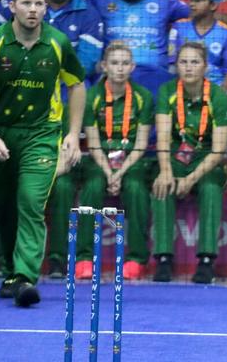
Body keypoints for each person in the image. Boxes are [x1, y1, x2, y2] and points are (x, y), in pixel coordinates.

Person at [0, 0, 86, 307]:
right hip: (2, 135)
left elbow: (77, 85)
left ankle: (24, 278)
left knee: (31, 202)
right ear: (12, 7)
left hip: (42, 134)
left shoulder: (59, 43)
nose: (33, 9)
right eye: (26, 3)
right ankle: (8, 271)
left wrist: (72, 134)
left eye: (39, 4)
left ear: (46, 8)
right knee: (3, 206)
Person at [72, 41, 154, 281]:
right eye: (114, 63)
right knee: (93, 186)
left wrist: (120, 172)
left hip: (132, 160)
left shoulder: (143, 97)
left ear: (132, 67)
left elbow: (141, 143)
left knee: (137, 189)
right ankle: (84, 258)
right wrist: (109, 173)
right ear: (104, 66)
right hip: (99, 159)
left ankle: (137, 259)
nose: (119, 68)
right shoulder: (92, 96)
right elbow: (94, 142)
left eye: (125, 63)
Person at [151, 42, 227, 284]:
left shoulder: (217, 96)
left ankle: (206, 260)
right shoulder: (167, 91)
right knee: (161, 185)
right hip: (175, 155)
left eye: (194, 62)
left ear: (205, 66)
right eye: (183, 62)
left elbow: (219, 149)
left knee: (210, 188)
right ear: (176, 66)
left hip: (206, 157)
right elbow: (163, 138)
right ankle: (163, 258)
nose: (188, 67)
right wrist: (166, 171)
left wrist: (190, 178)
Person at [89, 0, 190, 96]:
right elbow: (76, 11)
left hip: (154, 74)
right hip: (113, 73)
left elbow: (197, 12)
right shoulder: (101, 1)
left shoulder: (162, 0)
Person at [172, 0, 227, 90]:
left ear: (213, 5)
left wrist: (219, 95)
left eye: (198, 0)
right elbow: (172, 64)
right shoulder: (178, 27)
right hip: (185, 88)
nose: (192, 4)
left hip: (215, 88)